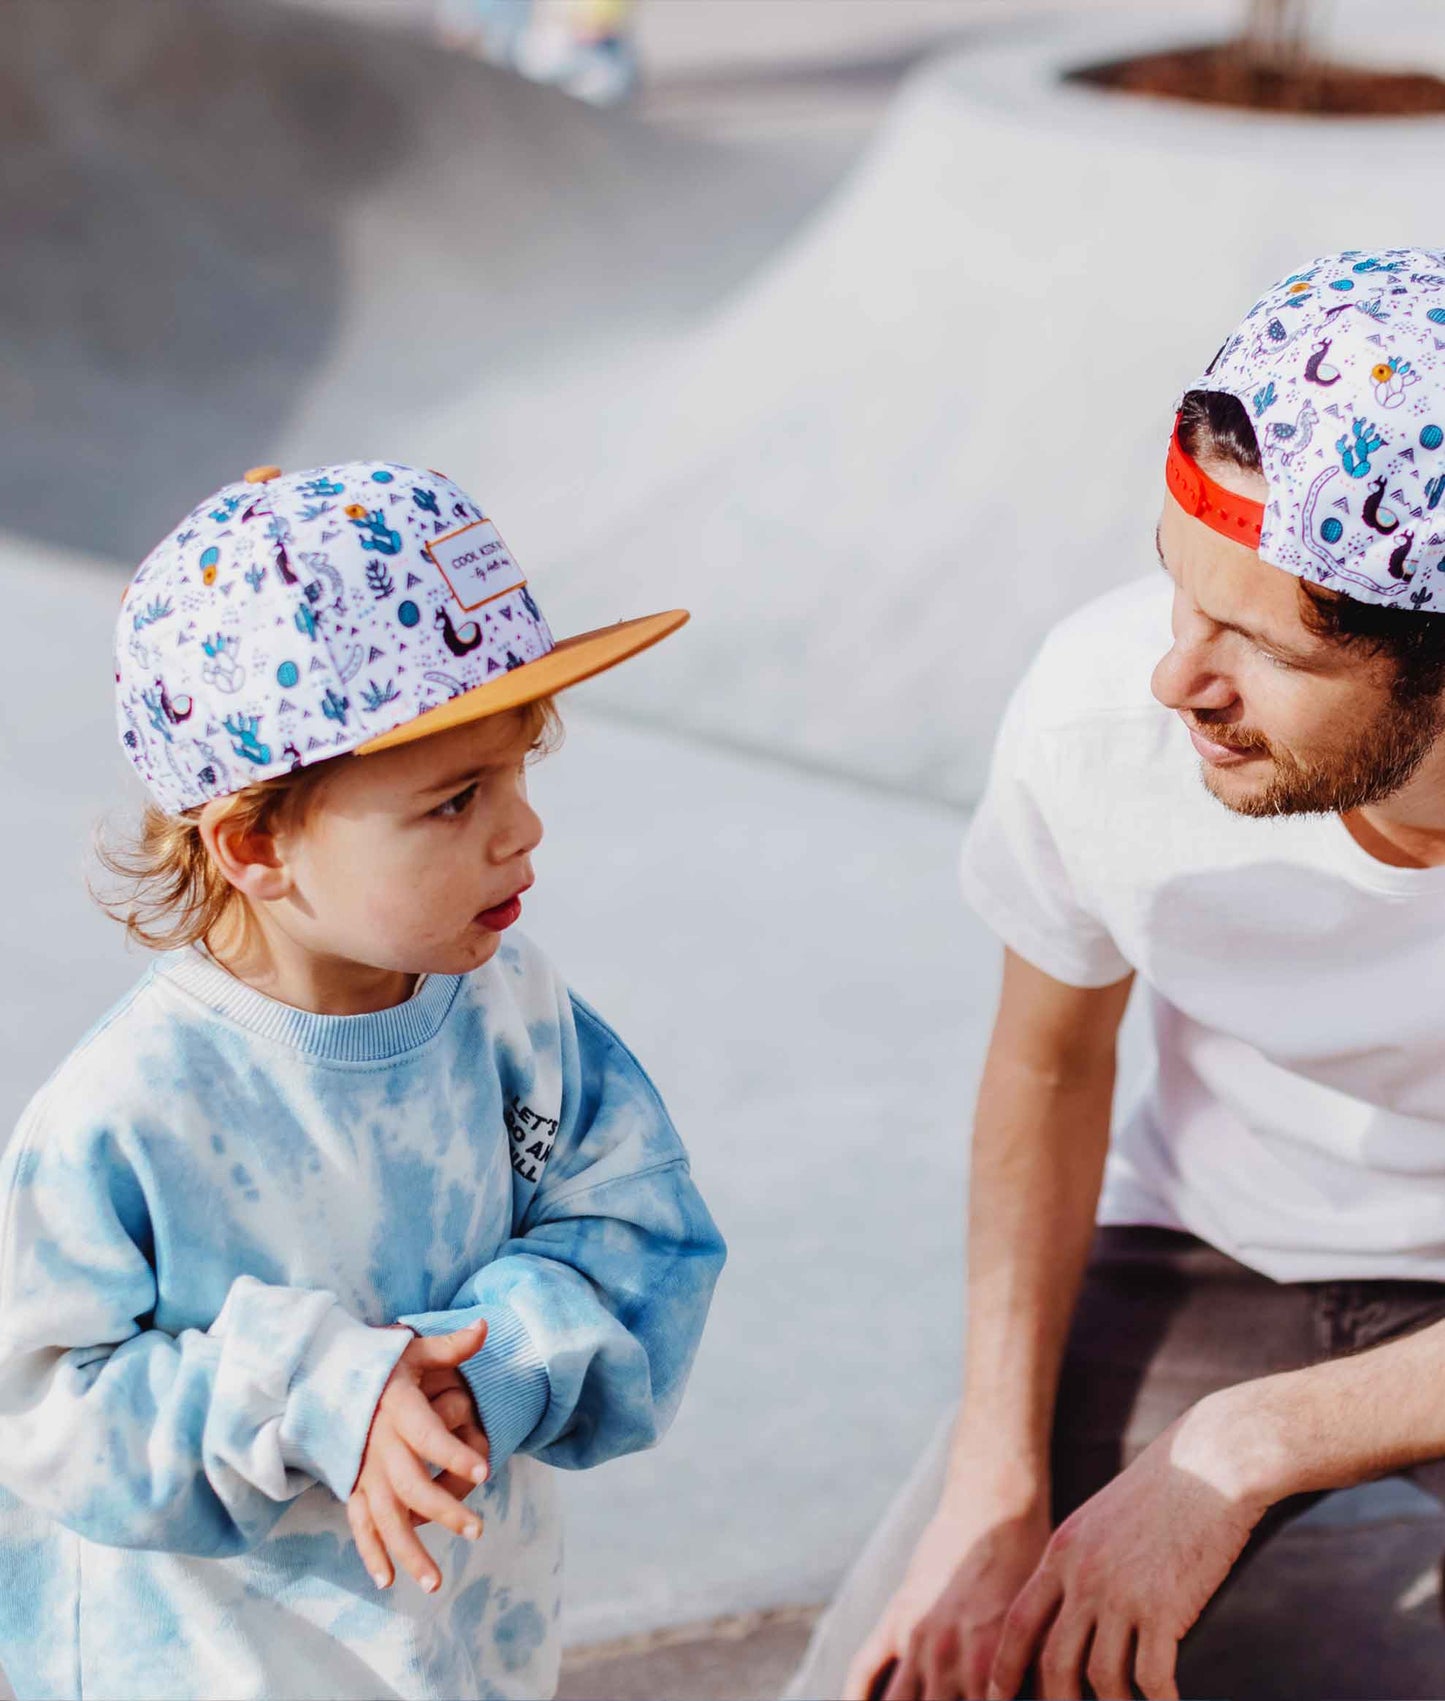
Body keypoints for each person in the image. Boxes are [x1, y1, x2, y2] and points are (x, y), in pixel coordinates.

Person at [789, 246, 1445, 1701]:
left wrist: (1246, 1442)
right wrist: (990, 1469)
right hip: (1213, 1247)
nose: (1174, 678)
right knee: (909, 1676)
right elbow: (1047, 1062)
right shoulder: (1097, 718)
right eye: (1178, 593)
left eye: (1255, 644)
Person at [0, 461, 725, 1700]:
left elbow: (642, 1235)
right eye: (452, 801)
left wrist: (480, 1369)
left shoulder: (516, 1014)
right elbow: (52, 1412)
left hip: (456, 1657)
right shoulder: (130, 1109)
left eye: (516, 774)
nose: (521, 832)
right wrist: (324, 1388)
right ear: (255, 844)